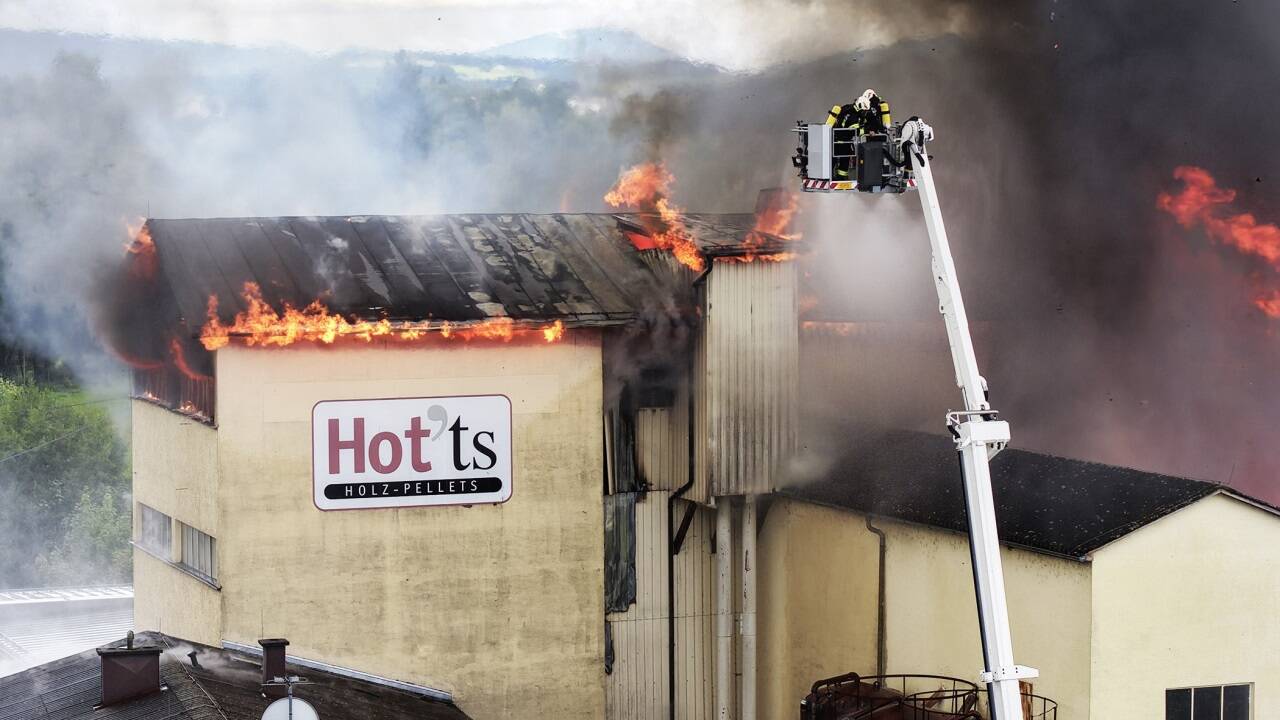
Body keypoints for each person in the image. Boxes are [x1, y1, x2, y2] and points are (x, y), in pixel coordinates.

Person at [824, 89, 892, 178]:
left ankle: (830, 176)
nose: (865, 113)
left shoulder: (847, 108)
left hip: (836, 139)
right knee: (844, 159)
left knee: (834, 159)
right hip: (842, 140)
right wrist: (868, 131)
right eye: (864, 111)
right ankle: (840, 177)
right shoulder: (853, 117)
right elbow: (856, 131)